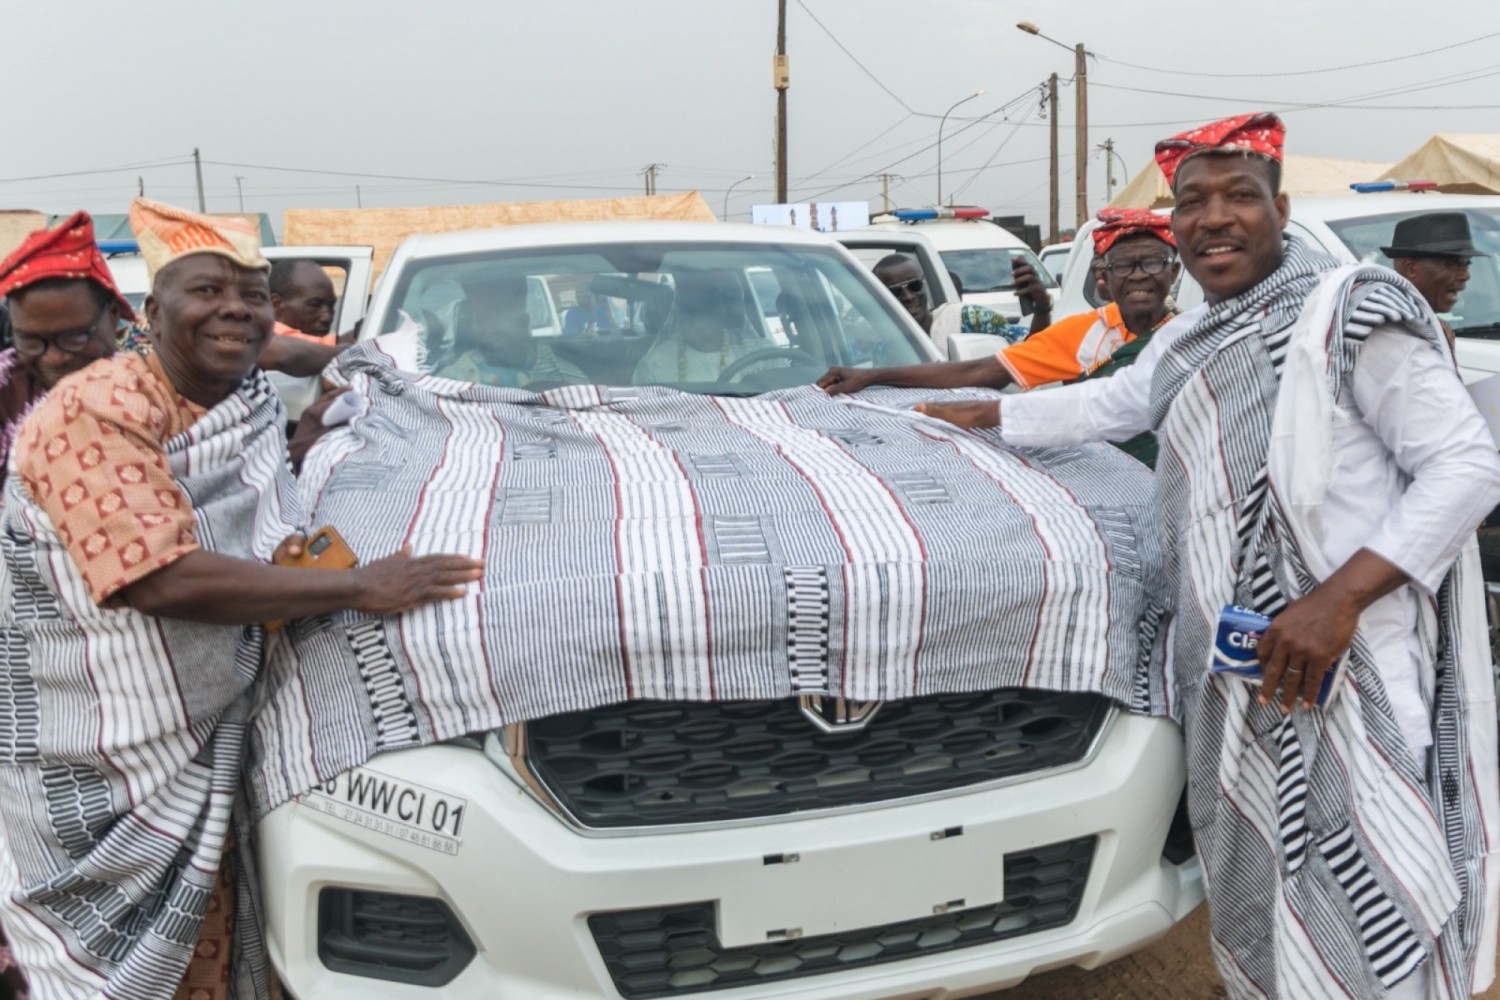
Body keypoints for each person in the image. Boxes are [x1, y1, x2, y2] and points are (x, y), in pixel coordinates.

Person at [916, 113, 1500, 1000]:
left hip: (1354, 663)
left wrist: (1335, 602)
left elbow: (1466, 468)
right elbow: (1107, 405)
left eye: (1239, 197)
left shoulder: (1348, 312)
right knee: (1268, 882)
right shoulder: (1195, 337)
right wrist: (979, 416)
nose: (1213, 219)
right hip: (1237, 668)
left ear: (1281, 209)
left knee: (1376, 878)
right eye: (1192, 202)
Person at [0, 197, 484, 1000]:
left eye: (250, 294)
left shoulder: (239, 389)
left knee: (208, 933)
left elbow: (305, 386)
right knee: (113, 962)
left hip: (209, 720)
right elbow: (159, 577)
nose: (233, 309)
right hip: (104, 748)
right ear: (150, 313)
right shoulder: (94, 412)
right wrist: (360, 585)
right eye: (205, 291)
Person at [820, 209, 1178, 465]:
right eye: (1124, 266)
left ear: (1173, 272)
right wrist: (871, 377)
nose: (1139, 277)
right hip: (1118, 480)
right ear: (1103, 277)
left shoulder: (1194, 334)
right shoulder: (1084, 333)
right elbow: (979, 372)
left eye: (1152, 263)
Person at [0, 211, 135, 489]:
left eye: (73, 337)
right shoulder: (6, 390)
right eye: (31, 341)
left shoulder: (148, 391)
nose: (54, 357)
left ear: (112, 315)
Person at [433, 274, 585, 387]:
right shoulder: (452, 381)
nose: (487, 328)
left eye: (497, 317)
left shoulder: (568, 380)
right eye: (480, 320)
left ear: (523, 322)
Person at [869, 254, 1027, 357]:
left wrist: (1042, 309)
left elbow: (1030, 345)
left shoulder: (967, 318)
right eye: (896, 293)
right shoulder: (884, 351)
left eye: (915, 286)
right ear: (882, 300)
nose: (909, 296)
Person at [632, 272, 765, 382]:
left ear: (724, 309)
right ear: (678, 314)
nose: (698, 313)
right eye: (689, 307)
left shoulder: (762, 354)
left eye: (708, 303)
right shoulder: (655, 363)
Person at [1382, 212, 1486, 349]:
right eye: (1453, 263)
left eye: (1467, 263)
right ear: (1411, 267)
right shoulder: (1388, 331)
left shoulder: (1436, 329)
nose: (1465, 275)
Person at [258, 257, 347, 376]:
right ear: (277, 305)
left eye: (331, 306)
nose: (326, 318)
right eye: (315, 305)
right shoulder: (264, 335)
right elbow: (292, 355)